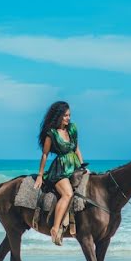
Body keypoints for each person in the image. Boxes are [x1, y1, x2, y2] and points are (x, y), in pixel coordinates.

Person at [34, 101, 84, 245]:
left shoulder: (73, 129)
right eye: (65, 116)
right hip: (60, 170)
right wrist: (39, 175)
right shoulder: (52, 134)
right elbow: (44, 155)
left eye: (69, 115)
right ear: (58, 116)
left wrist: (82, 166)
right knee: (67, 193)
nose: (68, 118)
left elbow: (76, 149)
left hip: (74, 165)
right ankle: (55, 228)